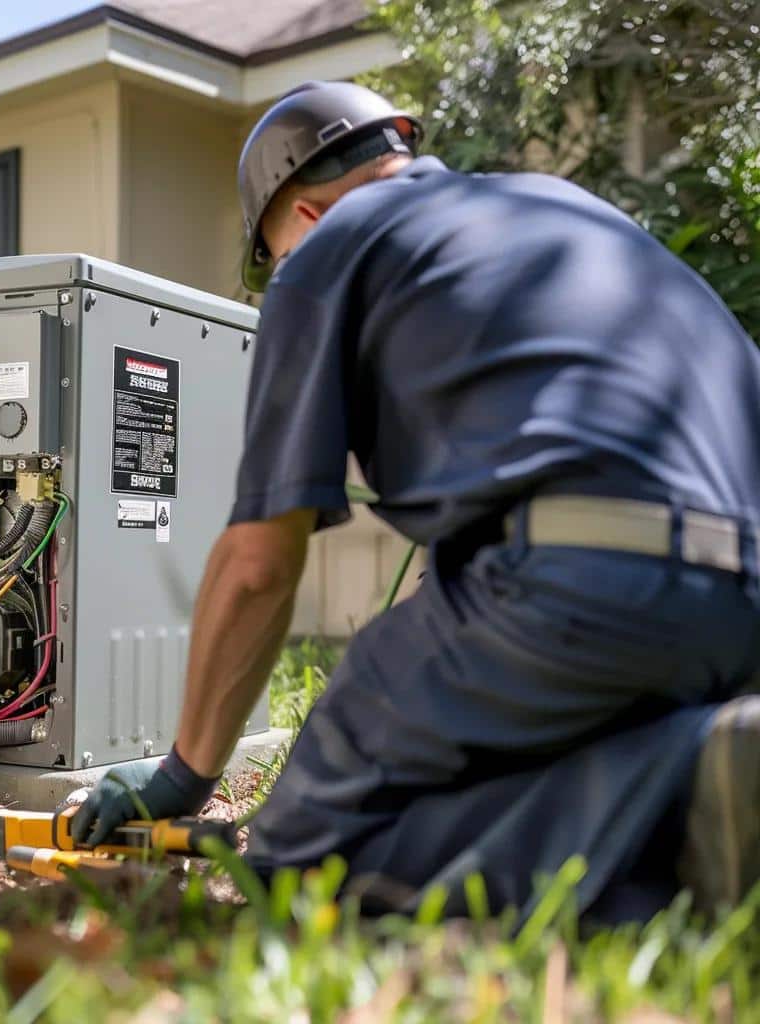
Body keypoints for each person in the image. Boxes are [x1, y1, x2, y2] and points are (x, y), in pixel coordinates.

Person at [74, 80, 760, 920]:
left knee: (302, 857)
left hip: (582, 588)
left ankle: (686, 792)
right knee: (525, 752)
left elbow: (259, 562)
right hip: (741, 609)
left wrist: (184, 773)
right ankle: (712, 777)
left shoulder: (333, 249)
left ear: (305, 219)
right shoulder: (573, 215)